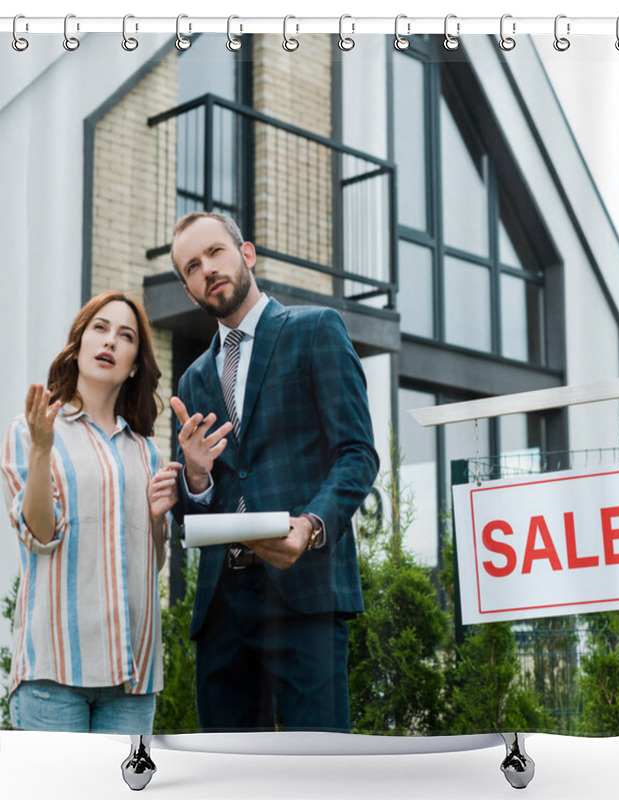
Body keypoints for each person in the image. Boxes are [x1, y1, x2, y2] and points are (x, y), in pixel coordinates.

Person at [169, 211, 379, 733]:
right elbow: (202, 496)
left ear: (247, 254)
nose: (207, 269)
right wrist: (195, 477)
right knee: (229, 778)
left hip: (304, 588)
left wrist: (308, 528)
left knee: (322, 773)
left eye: (215, 252)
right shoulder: (193, 379)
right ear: (190, 290)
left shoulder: (316, 331)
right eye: (192, 267)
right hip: (223, 607)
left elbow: (357, 454)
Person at [1, 291, 180, 733]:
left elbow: (150, 563)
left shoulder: (145, 453)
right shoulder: (31, 431)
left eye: (126, 336)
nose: (110, 342)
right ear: (78, 343)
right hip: (54, 679)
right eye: (99, 328)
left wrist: (157, 521)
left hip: (131, 682)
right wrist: (42, 454)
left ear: (135, 362)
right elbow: (40, 537)